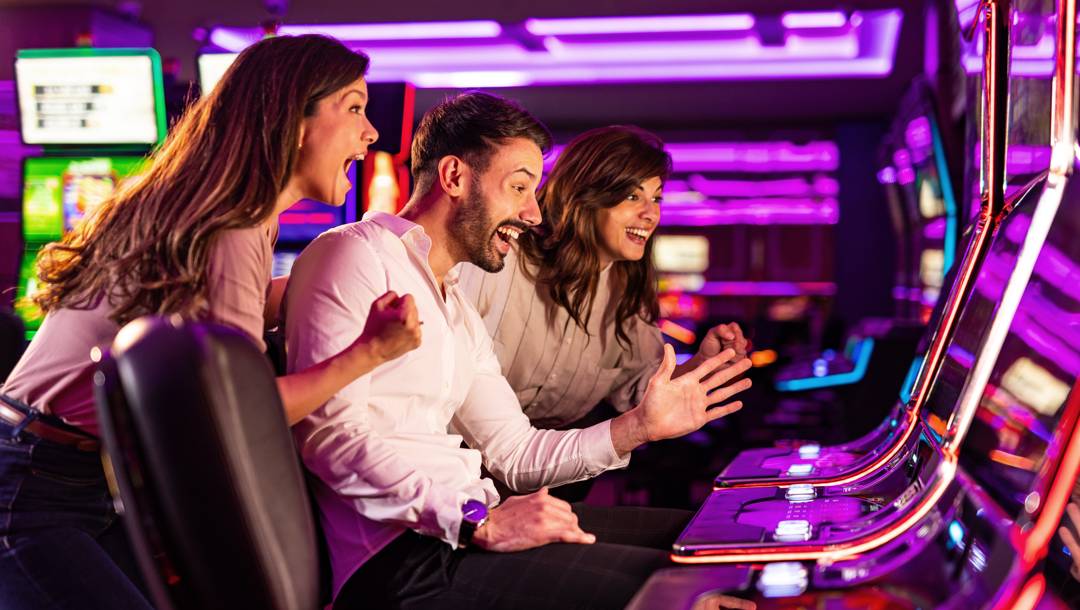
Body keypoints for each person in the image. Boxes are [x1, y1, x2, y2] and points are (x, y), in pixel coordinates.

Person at [284, 91, 755, 610]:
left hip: (458, 529)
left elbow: (514, 452)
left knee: (712, 554)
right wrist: (475, 521)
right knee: (692, 594)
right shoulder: (356, 252)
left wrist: (639, 426)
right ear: (455, 177)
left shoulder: (453, 304)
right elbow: (331, 438)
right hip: (400, 560)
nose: (533, 212)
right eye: (518, 188)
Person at [0, 35, 420, 610]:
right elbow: (237, 416)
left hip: (79, 471)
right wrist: (369, 352)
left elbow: (218, 320)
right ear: (293, 121)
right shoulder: (234, 228)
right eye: (353, 108)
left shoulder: (234, 213)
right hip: (33, 482)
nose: (371, 132)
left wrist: (337, 282)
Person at [458, 126, 748, 501]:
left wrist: (705, 365)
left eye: (656, 197)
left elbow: (643, 391)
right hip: (458, 479)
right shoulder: (502, 259)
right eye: (632, 196)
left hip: (549, 480)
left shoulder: (626, 293)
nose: (651, 214)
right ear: (585, 197)